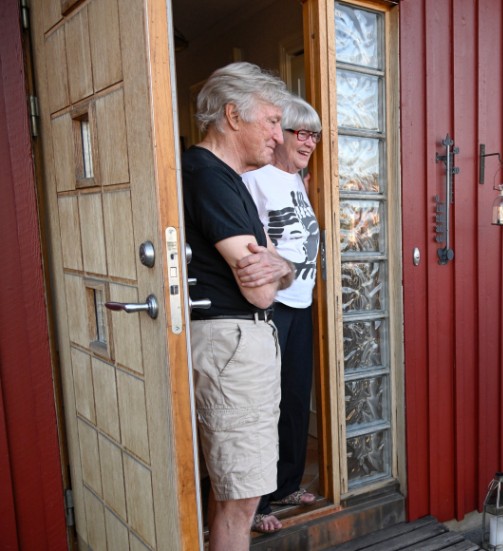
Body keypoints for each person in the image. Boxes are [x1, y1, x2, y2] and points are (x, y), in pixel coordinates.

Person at [182, 61, 294, 550]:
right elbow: (262, 290)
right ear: (232, 115)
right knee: (241, 499)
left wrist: (282, 264)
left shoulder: (228, 180)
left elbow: (277, 271)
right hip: (231, 344)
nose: (279, 134)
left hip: (234, 343)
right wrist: (279, 269)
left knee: (231, 489)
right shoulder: (208, 176)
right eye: (271, 120)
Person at [241, 96, 322, 532]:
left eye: (314, 134)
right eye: (301, 133)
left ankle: (287, 482)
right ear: (280, 135)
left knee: (294, 397)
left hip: (301, 302)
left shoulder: (296, 179)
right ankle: (256, 503)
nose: (309, 142)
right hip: (273, 306)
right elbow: (249, 242)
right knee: (264, 405)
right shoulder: (258, 179)